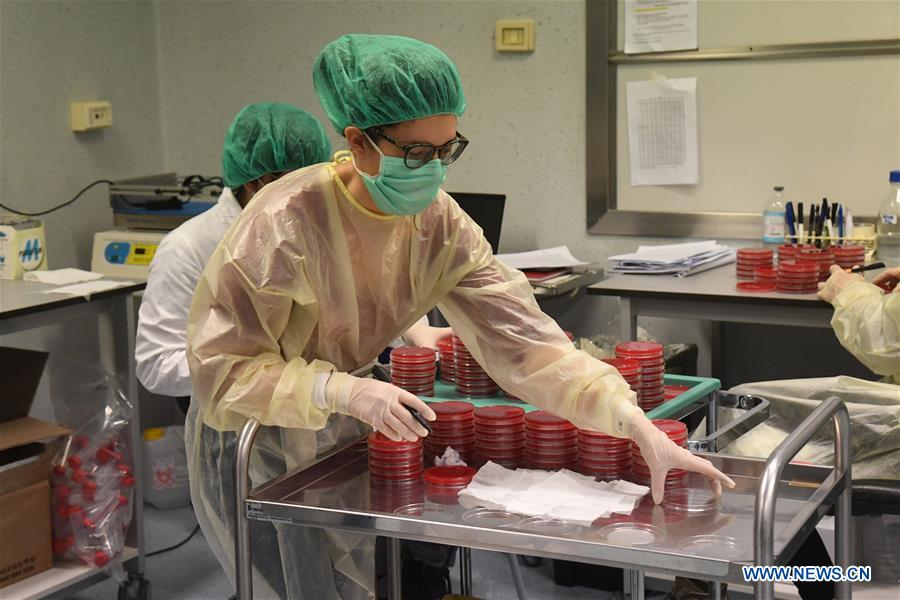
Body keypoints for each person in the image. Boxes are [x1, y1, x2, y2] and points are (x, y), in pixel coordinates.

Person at [186, 34, 734, 599]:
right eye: (417, 154)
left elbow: (526, 343)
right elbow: (221, 372)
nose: (434, 172)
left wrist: (631, 420)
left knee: (361, 583)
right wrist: (338, 390)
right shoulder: (281, 223)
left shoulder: (438, 222)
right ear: (359, 142)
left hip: (344, 432)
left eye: (448, 150)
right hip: (255, 439)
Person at [135, 102, 451, 408]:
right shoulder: (190, 247)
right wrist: (281, 374)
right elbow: (157, 364)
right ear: (255, 181)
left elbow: (368, 298)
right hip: (239, 431)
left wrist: (412, 329)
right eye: (290, 181)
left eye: (313, 177)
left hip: (331, 416)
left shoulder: (320, 217)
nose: (304, 193)